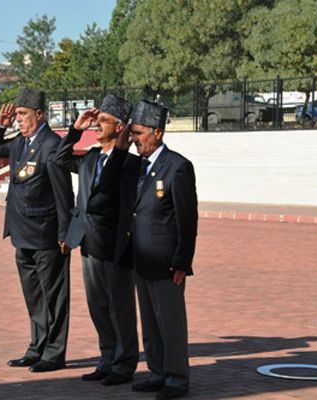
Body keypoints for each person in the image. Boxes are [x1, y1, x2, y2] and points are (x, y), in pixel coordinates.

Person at [114, 100, 198, 400]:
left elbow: (187, 219)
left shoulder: (177, 167)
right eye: (132, 133)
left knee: (170, 323)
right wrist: (122, 145)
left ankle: (176, 378)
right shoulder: (136, 165)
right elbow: (112, 177)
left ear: (157, 132)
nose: (135, 138)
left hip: (166, 262)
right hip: (141, 257)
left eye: (138, 133)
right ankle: (157, 372)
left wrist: (182, 261)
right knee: (149, 321)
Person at [0, 88, 74, 373]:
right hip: (22, 233)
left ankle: (54, 352)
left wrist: (65, 233)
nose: (19, 120)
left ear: (40, 114)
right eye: (18, 115)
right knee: (34, 296)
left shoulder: (52, 144)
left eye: (23, 115)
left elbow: (64, 194)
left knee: (54, 297)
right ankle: (37, 347)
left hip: (47, 235)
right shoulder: (20, 143)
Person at [55, 95, 138, 386]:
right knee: (98, 305)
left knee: (120, 306)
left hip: (115, 244)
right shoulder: (90, 157)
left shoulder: (129, 162)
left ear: (120, 127)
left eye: (105, 120)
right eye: (98, 119)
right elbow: (60, 158)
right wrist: (76, 129)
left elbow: (112, 189)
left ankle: (125, 363)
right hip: (88, 240)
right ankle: (107, 358)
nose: (98, 124)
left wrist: (122, 148)